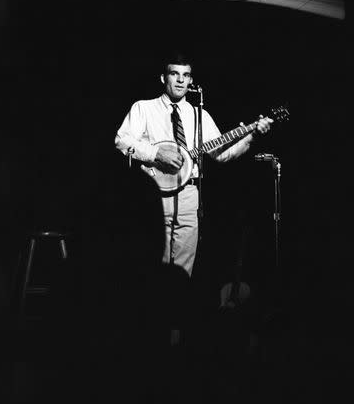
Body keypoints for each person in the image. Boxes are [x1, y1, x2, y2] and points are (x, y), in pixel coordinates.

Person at [115, 52, 273, 277]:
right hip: (153, 193)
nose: (180, 80)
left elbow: (222, 154)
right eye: (174, 74)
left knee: (183, 267)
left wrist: (251, 136)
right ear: (163, 78)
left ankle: (177, 307)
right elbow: (122, 140)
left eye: (186, 75)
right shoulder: (144, 108)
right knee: (151, 261)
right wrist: (157, 153)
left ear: (191, 80)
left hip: (189, 194)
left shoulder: (200, 115)